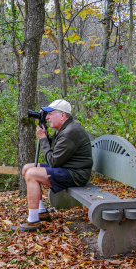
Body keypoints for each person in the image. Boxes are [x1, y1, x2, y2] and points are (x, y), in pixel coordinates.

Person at [11, 99, 93, 231]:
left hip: (76, 175)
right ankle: (41, 212)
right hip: (67, 168)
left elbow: (53, 162)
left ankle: (33, 221)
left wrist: (43, 139)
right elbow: (54, 150)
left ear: (62, 115)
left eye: (50, 114)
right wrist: (45, 132)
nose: (47, 117)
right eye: (46, 114)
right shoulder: (64, 128)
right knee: (27, 168)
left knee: (32, 174)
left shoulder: (70, 132)